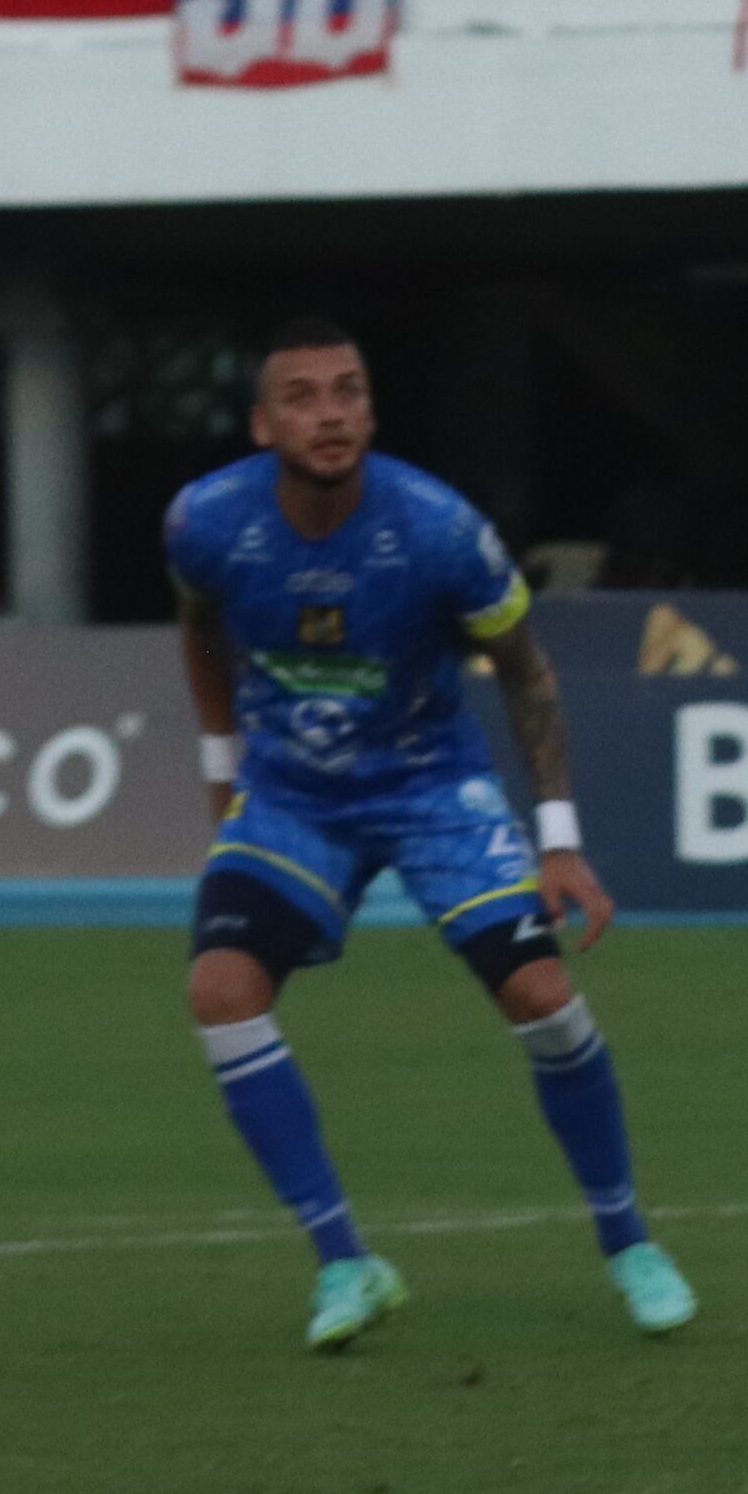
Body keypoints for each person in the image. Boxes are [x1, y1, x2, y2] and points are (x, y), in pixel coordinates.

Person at [168, 321, 694, 1349]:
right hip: (293, 794)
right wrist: (222, 773)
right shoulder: (205, 523)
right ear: (264, 422)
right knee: (219, 992)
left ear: (369, 410)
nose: (330, 414)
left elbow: (528, 674)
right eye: (306, 396)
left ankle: (629, 1241)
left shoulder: (439, 529)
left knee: (542, 999)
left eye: (348, 392)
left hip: (429, 784)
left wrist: (558, 841)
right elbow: (199, 631)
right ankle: (346, 1265)